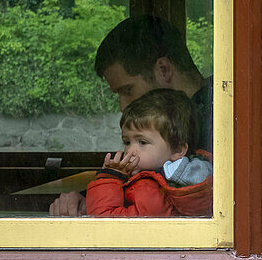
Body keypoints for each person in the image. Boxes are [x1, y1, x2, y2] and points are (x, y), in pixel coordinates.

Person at [49, 15, 212, 216]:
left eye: (127, 90)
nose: (122, 106)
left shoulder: (220, 119)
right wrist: (85, 198)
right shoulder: (195, 112)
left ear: (164, 69)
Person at [86, 89, 213, 217]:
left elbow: (105, 222)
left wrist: (109, 179)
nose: (130, 151)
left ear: (177, 150)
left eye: (142, 142)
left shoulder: (149, 189)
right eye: (127, 142)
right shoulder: (155, 183)